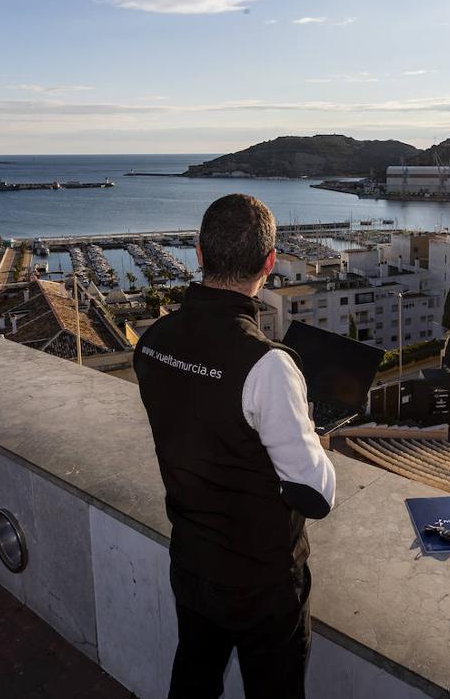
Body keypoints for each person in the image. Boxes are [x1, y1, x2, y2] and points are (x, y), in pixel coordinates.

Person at [133, 194, 336, 699]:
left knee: (194, 680)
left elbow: (200, 424)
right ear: (270, 263)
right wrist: (310, 432)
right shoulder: (267, 366)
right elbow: (316, 495)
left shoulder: (152, 342)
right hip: (260, 584)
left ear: (199, 253)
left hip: (192, 562)